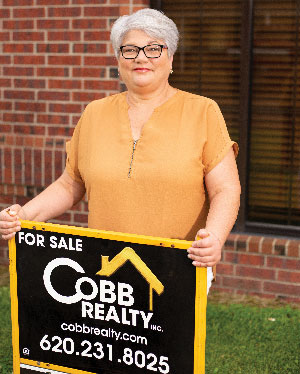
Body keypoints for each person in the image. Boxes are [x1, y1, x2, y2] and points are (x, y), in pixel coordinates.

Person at [0, 8, 240, 291]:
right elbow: (71, 184)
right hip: (103, 270)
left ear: (171, 58)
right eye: (130, 50)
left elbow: (225, 189)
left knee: (170, 337)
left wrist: (213, 238)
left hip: (178, 268)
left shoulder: (203, 112)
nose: (141, 57)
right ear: (118, 59)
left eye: (153, 48)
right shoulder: (94, 113)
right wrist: (24, 216)